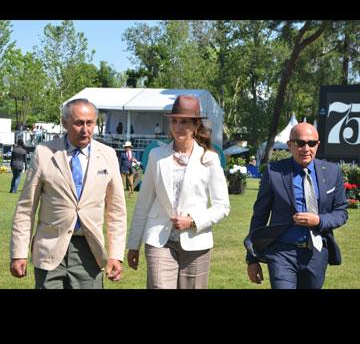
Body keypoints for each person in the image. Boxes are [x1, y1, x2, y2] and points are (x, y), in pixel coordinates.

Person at [9, 98, 127, 289]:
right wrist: (19, 252)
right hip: (49, 249)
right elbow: (26, 208)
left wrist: (116, 254)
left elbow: (117, 212)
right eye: (79, 123)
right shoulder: (44, 153)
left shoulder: (108, 155)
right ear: (65, 123)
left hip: (90, 252)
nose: (85, 129)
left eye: (90, 123)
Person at [127, 94, 230, 289]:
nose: (178, 127)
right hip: (158, 240)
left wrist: (193, 221)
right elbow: (143, 203)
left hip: (197, 242)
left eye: (184, 122)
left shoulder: (210, 159)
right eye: (174, 121)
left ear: (196, 125)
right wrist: (134, 244)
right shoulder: (157, 156)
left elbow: (222, 206)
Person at [245, 122, 348, 289]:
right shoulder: (274, 172)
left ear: (318, 145)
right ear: (290, 145)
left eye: (311, 143)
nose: (306, 148)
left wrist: (319, 221)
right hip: (281, 253)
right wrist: (252, 258)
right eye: (300, 143)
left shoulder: (332, 172)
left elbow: (341, 212)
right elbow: (259, 217)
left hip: (316, 253)